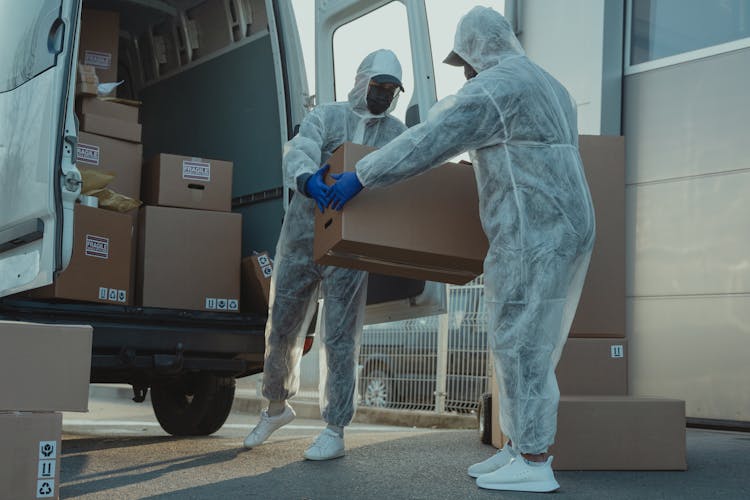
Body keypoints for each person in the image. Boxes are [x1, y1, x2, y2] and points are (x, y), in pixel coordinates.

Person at [328, 7, 595, 492]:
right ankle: (518, 446)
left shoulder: (496, 88)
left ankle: (535, 460)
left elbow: (428, 141)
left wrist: (361, 175)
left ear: (477, 50)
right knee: (523, 338)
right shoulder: (550, 85)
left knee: (523, 342)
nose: (465, 71)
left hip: (533, 229)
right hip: (561, 223)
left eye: (464, 60)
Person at [243, 49, 407, 461]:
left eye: (392, 90)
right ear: (362, 80)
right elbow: (300, 147)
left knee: (340, 337)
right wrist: (305, 179)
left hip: (350, 248)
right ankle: (276, 407)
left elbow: (413, 165)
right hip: (302, 237)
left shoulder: (397, 133)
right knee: (281, 325)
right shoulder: (328, 117)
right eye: (379, 87)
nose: (384, 96)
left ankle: (335, 428)